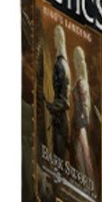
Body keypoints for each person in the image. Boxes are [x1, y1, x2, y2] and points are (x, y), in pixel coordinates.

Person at [71, 45, 97, 181]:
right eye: (75, 58)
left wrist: (81, 124)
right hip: (80, 123)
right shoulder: (81, 81)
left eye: (76, 59)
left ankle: (88, 183)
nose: (75, 61)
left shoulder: (81, 83)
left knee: (83, 155)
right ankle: (87, 183)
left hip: (81, 124)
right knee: (82, 154)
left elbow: (84, 107)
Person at [46, 24, 71, 161]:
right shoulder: (64, 63)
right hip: (61, 119)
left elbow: (65, 102)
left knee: (59, 159)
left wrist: (49, 106)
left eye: (55, 36)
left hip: (60, 120)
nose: (53, 39)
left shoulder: (59, 65)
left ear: (59, 38)